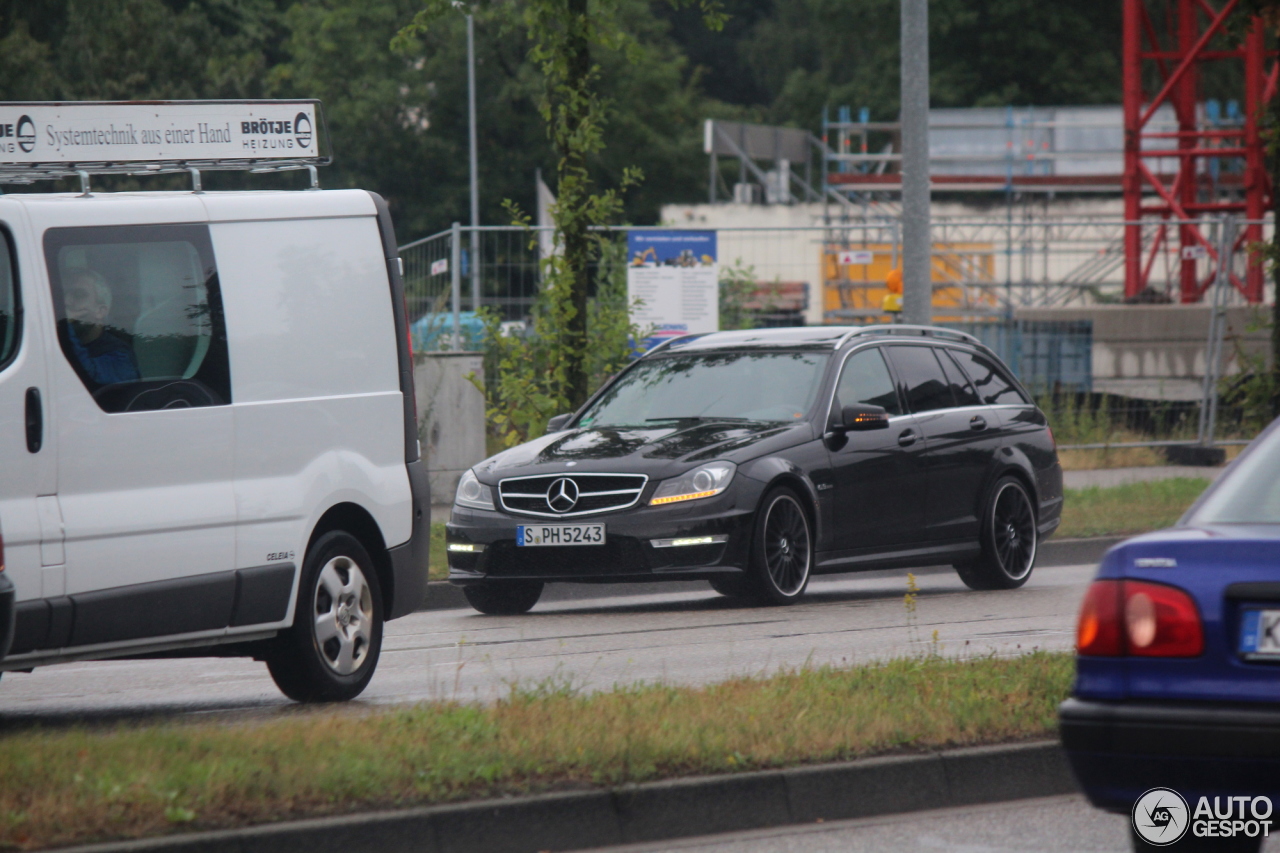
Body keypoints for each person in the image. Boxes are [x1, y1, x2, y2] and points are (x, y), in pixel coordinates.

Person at [62, 267, 140, 385]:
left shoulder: (120, 354)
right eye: (63, 295)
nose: (66, 302)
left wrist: (65, 323)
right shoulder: (56, 343)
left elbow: (88, 377)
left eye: (78, 295)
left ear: (100, 311)